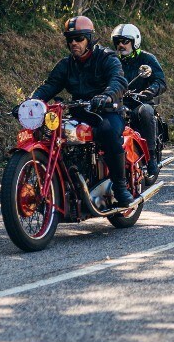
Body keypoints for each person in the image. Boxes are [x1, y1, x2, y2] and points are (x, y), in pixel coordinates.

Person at [29, 16, 136, 207]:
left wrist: (107, 96)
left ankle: (120, 187)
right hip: (80, 113)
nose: (73, 43)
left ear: (89, 38)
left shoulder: (106, 57)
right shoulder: (66, 65)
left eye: (78, 38)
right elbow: (49, 86)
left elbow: (118, 80)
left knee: (107, 132)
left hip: (107, 111)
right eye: (70, 39)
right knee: (55, 134)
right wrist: (31, 102)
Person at [111, 23, 167, 179]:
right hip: (117, 103)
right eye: (117, 41)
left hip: (139, 102)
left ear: (134, 41)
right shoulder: (112, 60)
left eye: (125, 41)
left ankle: (151, 159)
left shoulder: (147, 59)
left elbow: (160, 82)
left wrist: (147, 93)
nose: (121, 45)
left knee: (146, 111)